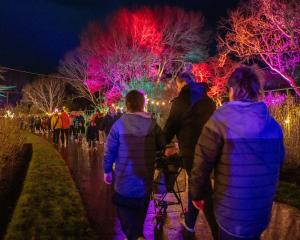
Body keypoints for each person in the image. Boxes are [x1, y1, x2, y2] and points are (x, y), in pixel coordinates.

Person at [190, 66, 285, 240]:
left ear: (232, 90)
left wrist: (197, 193)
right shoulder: (273, 126)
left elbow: (202, 161)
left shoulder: (220, 120)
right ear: (256, 91)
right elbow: (279, 162)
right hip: (260, 212)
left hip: (230, 212)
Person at [103, 90, 165, 240]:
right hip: (145, 181)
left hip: (123, 181)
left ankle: (134, 235)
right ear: (143, 104)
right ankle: (137, 234)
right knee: (140, 211)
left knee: (125, 214)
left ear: (126, 105)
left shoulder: (118, 125)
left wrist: (107, 171)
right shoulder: (152, 124)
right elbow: (162, 144)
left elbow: (109, 150)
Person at [163, 72, 217, 239]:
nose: (178, 89)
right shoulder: (209, 102)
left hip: (191, 152)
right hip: (209, 150)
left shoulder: (180, 102)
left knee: (202, 189)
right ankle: (190, 223)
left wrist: (160, 143)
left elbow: (170, 127)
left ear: (183, 83)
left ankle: (218, 231)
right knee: (198, 184)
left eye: (178, 85)